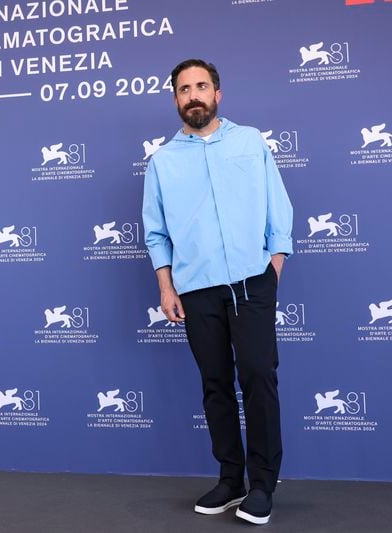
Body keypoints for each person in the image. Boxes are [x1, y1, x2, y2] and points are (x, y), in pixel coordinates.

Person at [141, 59, 293, 525]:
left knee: (258, 378)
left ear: (218, 94)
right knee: (215, 385)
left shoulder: (249, 142)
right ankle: (231, 479)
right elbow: (157, 232)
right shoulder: (162, 161)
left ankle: (263, 484)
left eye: (201, 86)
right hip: (196, 290)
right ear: (175, 99)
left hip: (252, 282)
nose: (194, 95)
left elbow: (277, 208)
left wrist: (274, 267)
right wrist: (166, 286)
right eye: (184, 89)